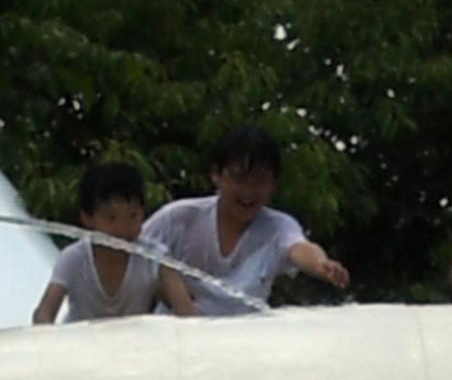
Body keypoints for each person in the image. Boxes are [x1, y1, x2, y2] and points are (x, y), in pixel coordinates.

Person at [139, 127, 349, 318]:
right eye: (239, 179)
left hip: (245, 345)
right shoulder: (179, 217)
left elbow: (299, 248)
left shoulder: (278, 226)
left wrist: (322, 265)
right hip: (177, 343)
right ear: (216, 174)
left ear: (274, 183)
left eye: (259, 181)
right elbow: (131, 252)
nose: (248, 192)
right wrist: (165, 289)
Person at [32, 161, 168, 326]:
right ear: (88, 218)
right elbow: (45, 311)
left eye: (133, 216)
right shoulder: (74, 258)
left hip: (133, 346)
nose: (123, 228)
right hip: (80, 345)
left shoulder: (155, 257)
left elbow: (186, 311)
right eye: (111, 218)